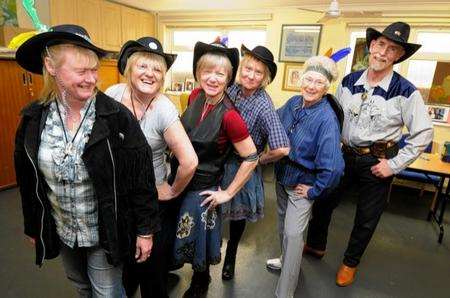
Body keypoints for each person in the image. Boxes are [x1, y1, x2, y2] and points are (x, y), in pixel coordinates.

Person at [14, 25, 160, 297]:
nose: (91, 79)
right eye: (81, 71)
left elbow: (142, 179)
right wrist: (33, 225)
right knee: (81, 287)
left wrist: (145, 231)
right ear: (51, 66)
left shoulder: (116, 118)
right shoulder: (34, 119)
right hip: (64, 229)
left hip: (105, 232)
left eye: (94, 70)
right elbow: (27, 178)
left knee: (107, 293)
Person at [304, 22, 434, 287]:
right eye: (380, 45)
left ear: (399, 56)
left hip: (379, 160)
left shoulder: (406, 91)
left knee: (366, 217)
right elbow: (334, 118)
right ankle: (316, 245)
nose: (383, 52)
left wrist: (394, 165)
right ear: (372, 46)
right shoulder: (350, 81)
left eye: (392, 49)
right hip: (345, 155)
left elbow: (423, 133)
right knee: (324, 199)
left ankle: (350, 263)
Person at [105, 37, 198, 298]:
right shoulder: (111, 95)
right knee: (123, 264)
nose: (150, 74)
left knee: (153, 271)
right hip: (118, 199)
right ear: (129, 69)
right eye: (143, 67)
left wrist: (170, 190)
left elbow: (189, 162)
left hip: (152, 202)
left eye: (157, 69)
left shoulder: (164, 108)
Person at [172, 40, 258, 297]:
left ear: (228, 79)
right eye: (206, 72)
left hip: (202, 188)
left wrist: (228, 193)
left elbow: (251, 157)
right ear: (198, 74)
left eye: (219, 74)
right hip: (179, 178)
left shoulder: (231, 116)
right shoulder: (195, 95)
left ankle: (201, 282)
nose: (212, 78)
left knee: (199, 243)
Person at [265, 55, 345, 298]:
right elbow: (272, 121)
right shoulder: (293, 103)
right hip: (282, 177)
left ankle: (285, 292)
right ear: (301, 79)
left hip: (303, 185)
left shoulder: (326, 118)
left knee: (293, 233)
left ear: (326, 87)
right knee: (282, 227)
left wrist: (314, 190)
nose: (311, 86)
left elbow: (333, 168)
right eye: (308, 79)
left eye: (318, 82)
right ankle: (284, 259)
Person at [221, 44, 290, 280]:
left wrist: (258, 159)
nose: (250, 75)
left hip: (241, 165)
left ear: (265, 78)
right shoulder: (231, 89)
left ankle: (230, 257)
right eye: (247, 68)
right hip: (219, 161)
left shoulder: (264, 104)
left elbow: (282, 148)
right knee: (210, 210)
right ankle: (208, 253)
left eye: (258, 72)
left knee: (237, 219)